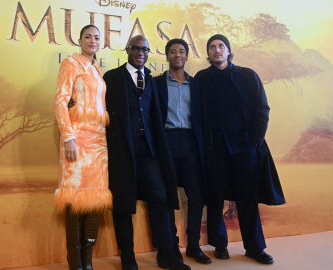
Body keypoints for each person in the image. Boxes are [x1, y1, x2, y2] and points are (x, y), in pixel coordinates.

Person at [194, 34, 286, 264]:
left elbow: (261, 109)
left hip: (244, 150)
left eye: (221, 46)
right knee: (215, 199)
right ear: (208, 53)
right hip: (214, 151)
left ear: (228, 50)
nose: (217, 50)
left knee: (247, 198)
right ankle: (220, 245)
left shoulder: (247, 76)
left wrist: (254, 141)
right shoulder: (201, 79)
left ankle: (254, 248)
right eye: (212, 47)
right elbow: (195, 113)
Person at [103, 35, 191, 270]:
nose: (141, 52)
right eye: (136, 48)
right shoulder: (112, 78)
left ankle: (165, 254)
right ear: (127, 50)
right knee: (123, 203)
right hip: (122, 150)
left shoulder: (151, 80)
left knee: (159, 199)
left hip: (148, 150)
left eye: (145, 49)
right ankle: (128, 256)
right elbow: (97, 108)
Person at [53, 25, 112, 270]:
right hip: (77, 138)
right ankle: (75, 262)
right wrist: (69, 138)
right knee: (75, 200)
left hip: (98, 141)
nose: (92, 40)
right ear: (79, 40)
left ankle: (88, 262)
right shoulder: (71, 63)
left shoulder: (98, 70)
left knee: (95, 199)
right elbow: (60, 101)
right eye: (88, 36)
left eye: (97, 37)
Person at [154, 39, 211, 264]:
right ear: (167, 56)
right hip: (166, 142)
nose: (177, 55)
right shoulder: (156, 84)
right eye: (172, 52)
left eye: (181, 51)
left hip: (191, 142)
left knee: (196, 196)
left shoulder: (197, 86)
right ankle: (172, 246)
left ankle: (194, 246)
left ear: (186, 56)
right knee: (167, 196)